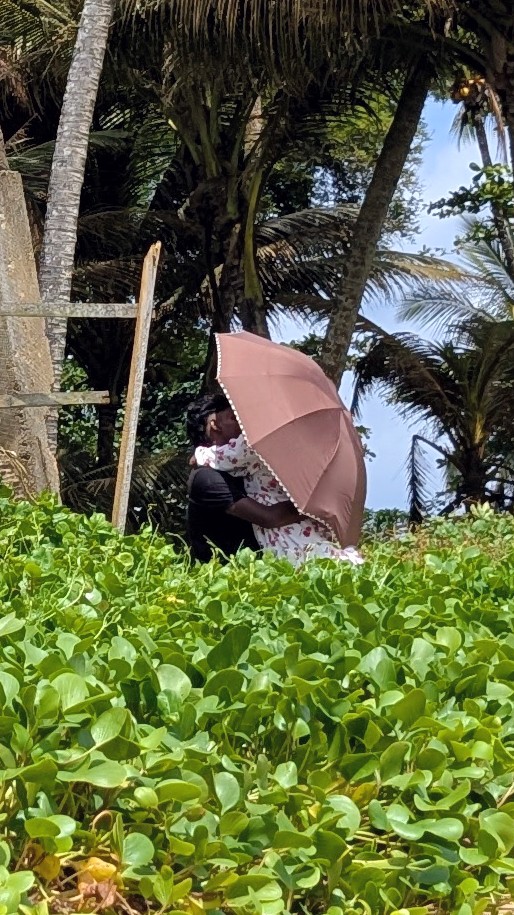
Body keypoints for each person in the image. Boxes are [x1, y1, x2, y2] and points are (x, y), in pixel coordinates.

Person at [194, 416, 364, 567]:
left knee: (302, 557)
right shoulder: (296, 441)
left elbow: (228, 457)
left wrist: (199, 453)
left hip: (281, 521)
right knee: (316, 549)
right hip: (300, 512)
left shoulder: (257, 440)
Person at [186, 393, 300, 562]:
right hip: (231, 578)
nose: (243, 424)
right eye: (233, 417)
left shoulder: (244, 467)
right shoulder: (206, 478)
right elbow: (270, 518)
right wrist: (317, 507)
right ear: (215, 425)